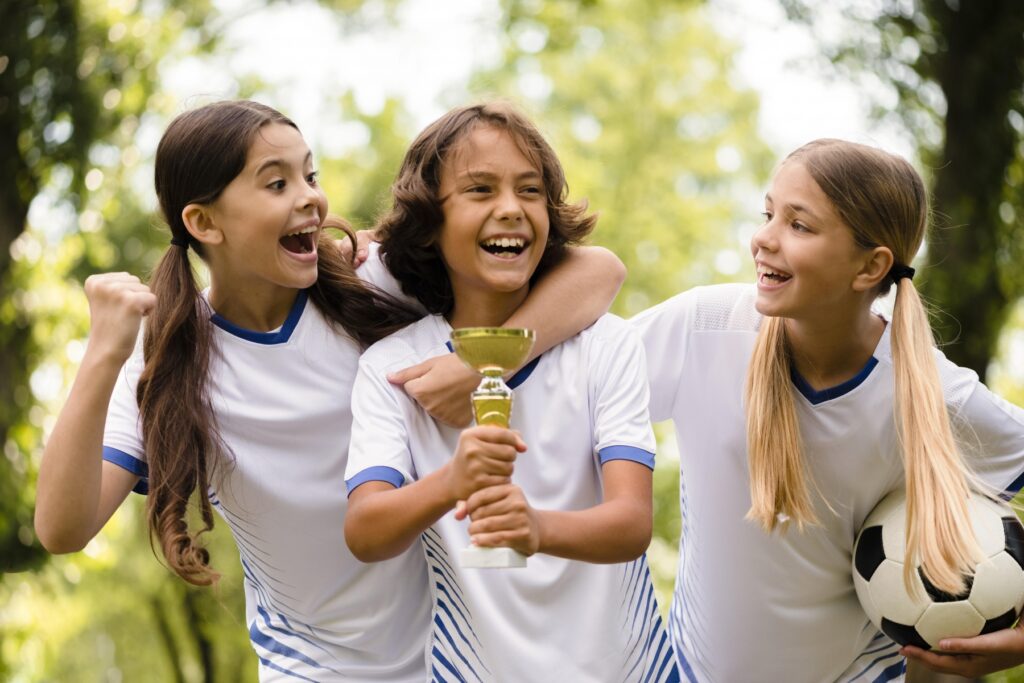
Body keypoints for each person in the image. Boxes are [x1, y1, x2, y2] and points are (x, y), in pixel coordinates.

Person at [33, 100, 628, 681]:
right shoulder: (168, 359)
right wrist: (103, 353)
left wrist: (481, 362)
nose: (311, 198)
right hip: (312, 662)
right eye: (276, 183)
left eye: (310, 176)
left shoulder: (371, 277)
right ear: (204, 223)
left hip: (457, 649)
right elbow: (62, 529)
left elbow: (598, 271)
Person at [630, 138, 1024, 682]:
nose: (763, 239)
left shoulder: (929, 390)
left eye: (799, 225)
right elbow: (576, 383)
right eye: (768, 215)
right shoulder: (705, 327)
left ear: (870, 266)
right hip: (691, 671)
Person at [343, 102, 679, 682]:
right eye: (480, 190)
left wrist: (537, 528)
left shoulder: (607, 345)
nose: (510, 209)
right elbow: (366, 532)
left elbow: (631, 524)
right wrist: (451, 481)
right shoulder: (392, 368)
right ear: (430, 222)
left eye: (530, 191)